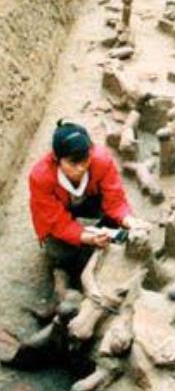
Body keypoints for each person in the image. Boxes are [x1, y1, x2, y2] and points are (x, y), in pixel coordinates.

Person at [29, 120, 141, 296]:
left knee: (122, 226)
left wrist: (130, 221)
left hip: (87, 200)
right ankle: (64, 273)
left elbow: (115, 201)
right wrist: (88, 238)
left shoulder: (101, 161)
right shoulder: (41, 177)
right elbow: (57, 223)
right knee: (60, 253)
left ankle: (100, 239)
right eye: (73, 163)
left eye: (85, 160)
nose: (81, 168)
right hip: (56, 214)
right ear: (57, 159)